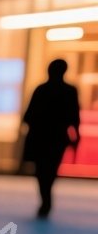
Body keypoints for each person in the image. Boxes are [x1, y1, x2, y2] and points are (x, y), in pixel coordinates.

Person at [22, 59, 82, 219]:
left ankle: (45, 198)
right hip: (58, 137)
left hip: (41, 137)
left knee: (41, 170)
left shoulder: (41, 90)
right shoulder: (69, 91)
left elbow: (28, 115)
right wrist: (76, 136)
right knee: (51, 168)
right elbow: (74, 116)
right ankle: (46, 198)